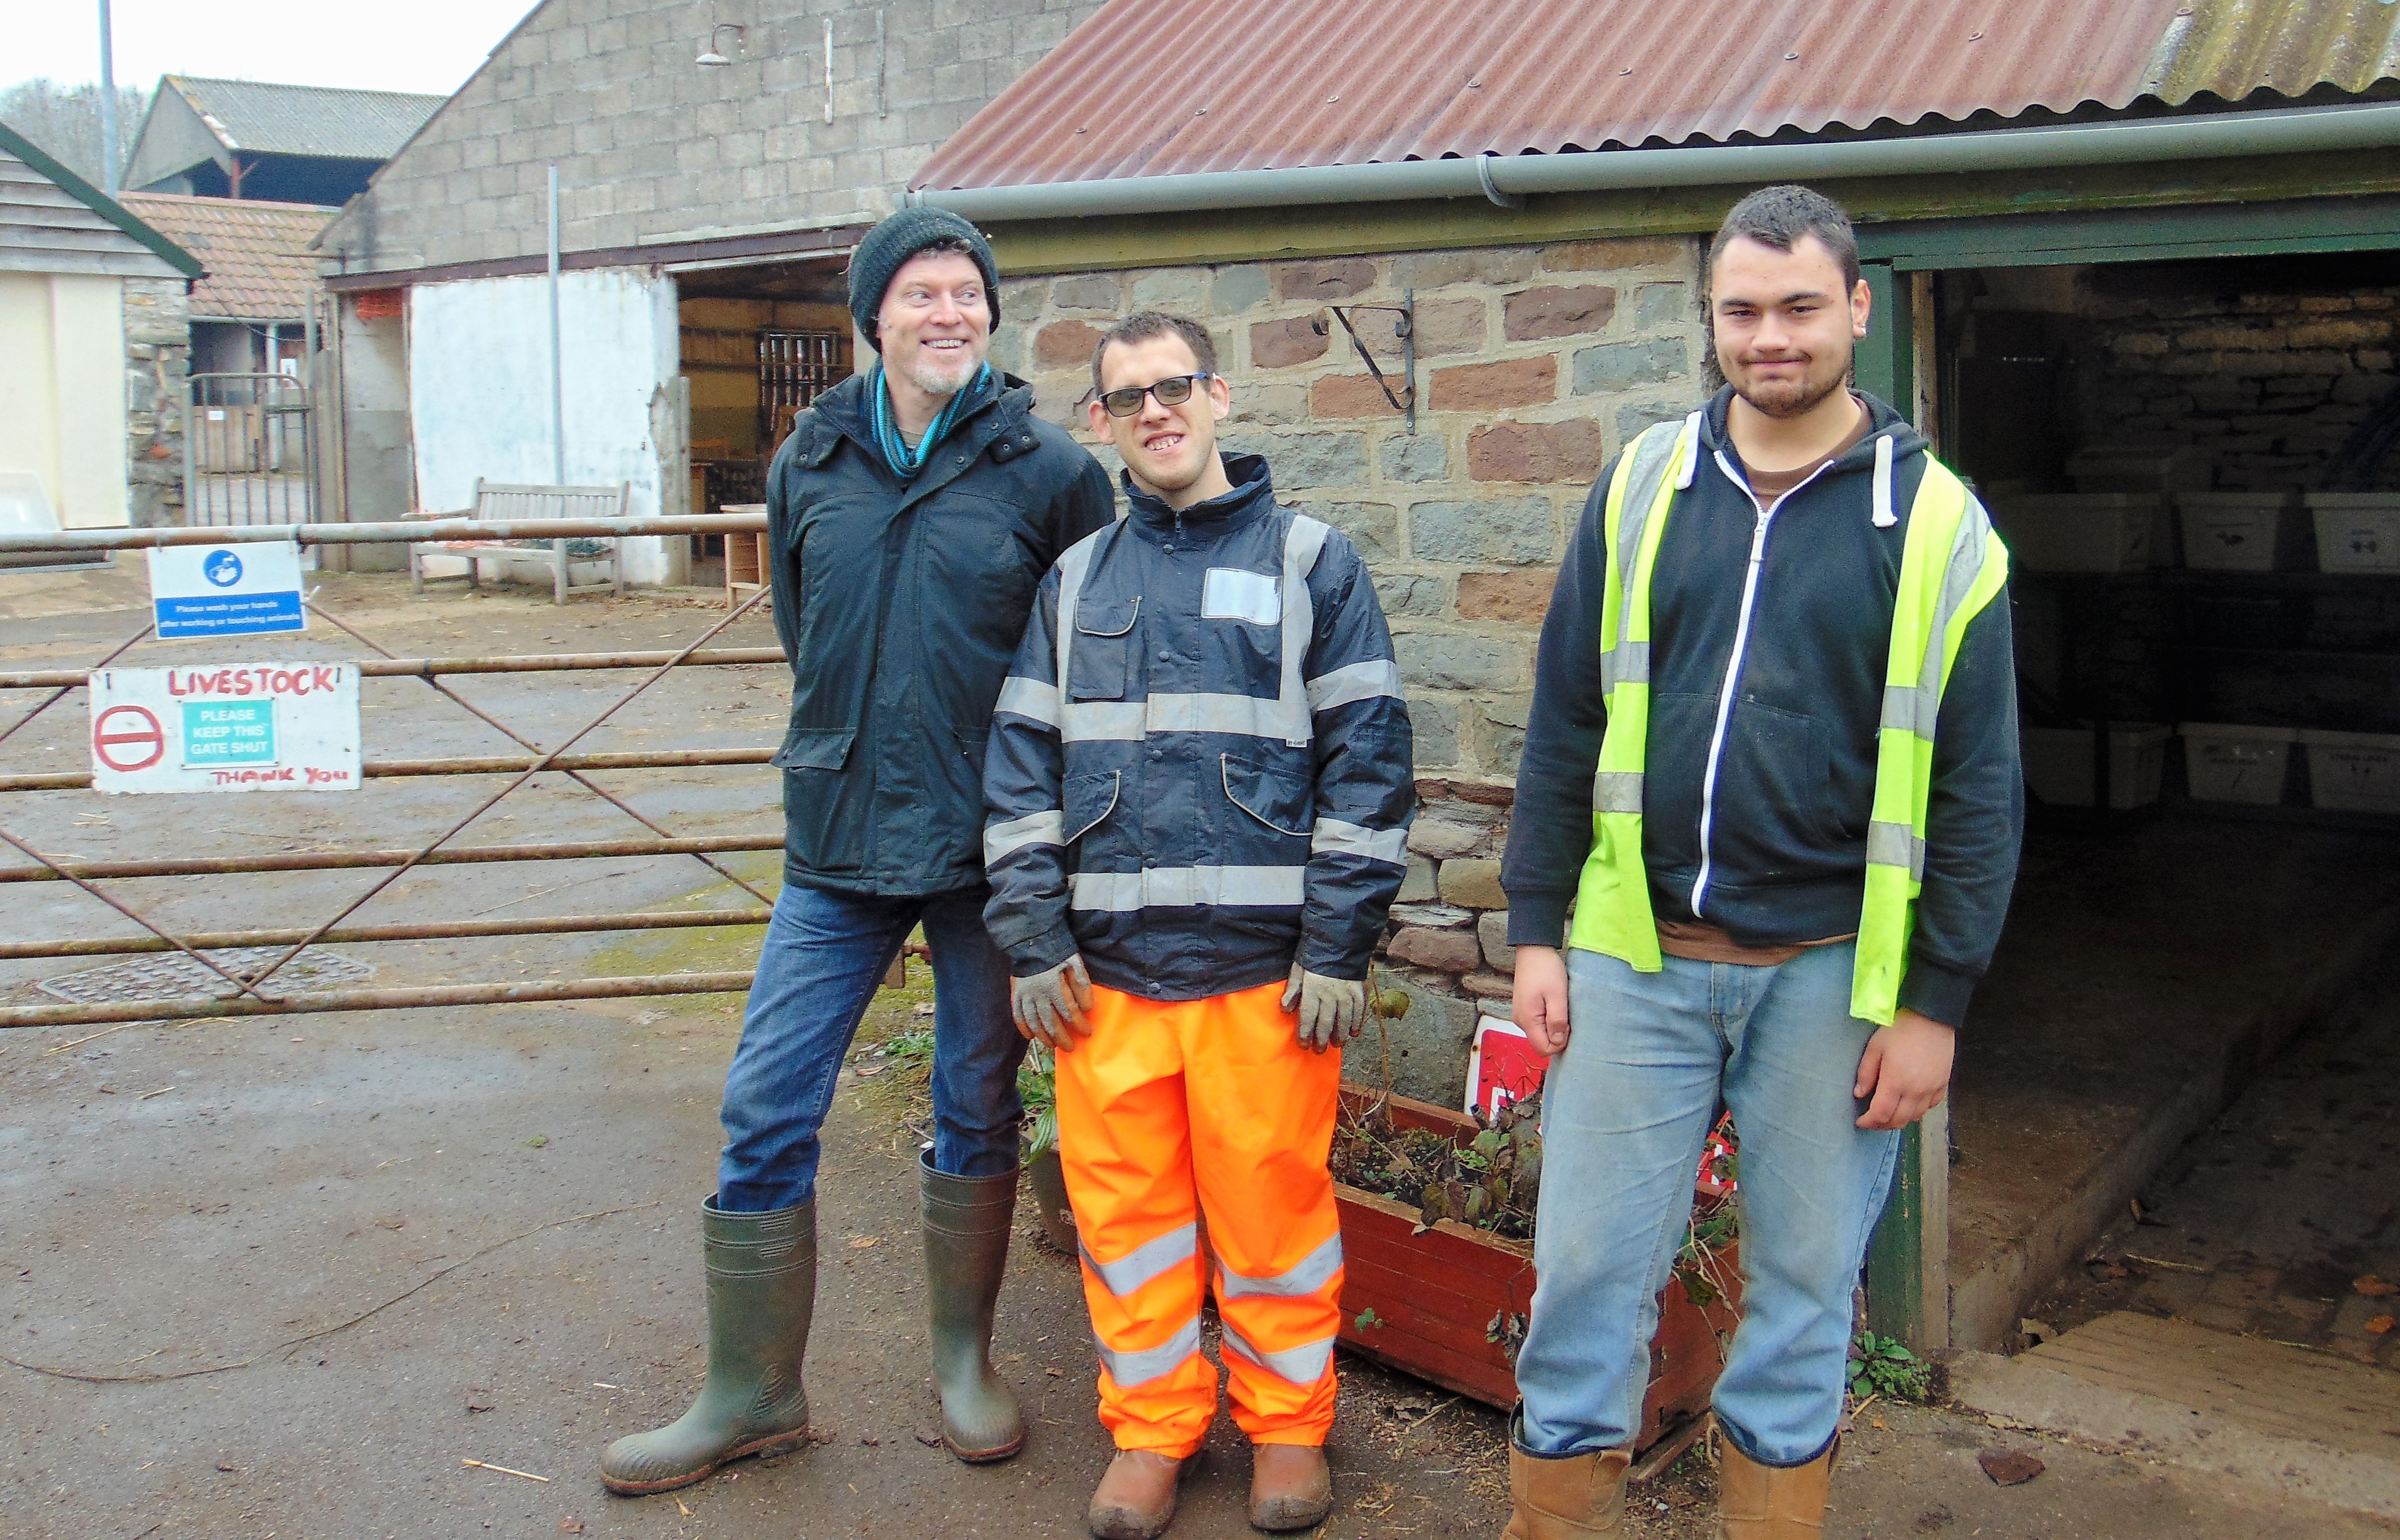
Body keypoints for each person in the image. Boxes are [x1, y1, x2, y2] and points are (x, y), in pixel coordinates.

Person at [1495, 186, 2024, 1538]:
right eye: (1741, 311)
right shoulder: (1644, 488)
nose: (1769, 337)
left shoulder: (1938, 525)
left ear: (1856, 307)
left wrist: (1934, 1004)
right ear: (1711, 319)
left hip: (1832, 978)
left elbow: (1978, 791)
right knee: (1585, 1278)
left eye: (1798, 307)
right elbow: (1565, 718)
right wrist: (1539, 927)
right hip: (1635, 958)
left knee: (1799, 1298)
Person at [600, 208, 1113, 1496]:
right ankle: (751, 1394)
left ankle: (963, 1362)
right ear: (873, 316)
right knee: (765, 1102)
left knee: (975, 1099)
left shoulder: (1049, 471)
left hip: (991, 847)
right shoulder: (812, 457)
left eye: (967, 294)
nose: (949, 313)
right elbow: (805, 628)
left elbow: (1089, 668)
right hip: (837, 837)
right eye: (921, 292)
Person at [982, 311, 1415, 1540]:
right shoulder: (1075, 582)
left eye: (1173, 386)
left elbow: (1369, 763)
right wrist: (1032, 934)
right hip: (1105, 984)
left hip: (1259, 980)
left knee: (1272, 1217)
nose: (1154, 412)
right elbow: (1018, 765)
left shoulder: (1311, 563)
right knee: (1126, 1227)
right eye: (1127, 398)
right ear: (1101, 422)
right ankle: (1151, 1431)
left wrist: (1337, 945)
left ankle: (1287, 1429)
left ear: (1218, 396)